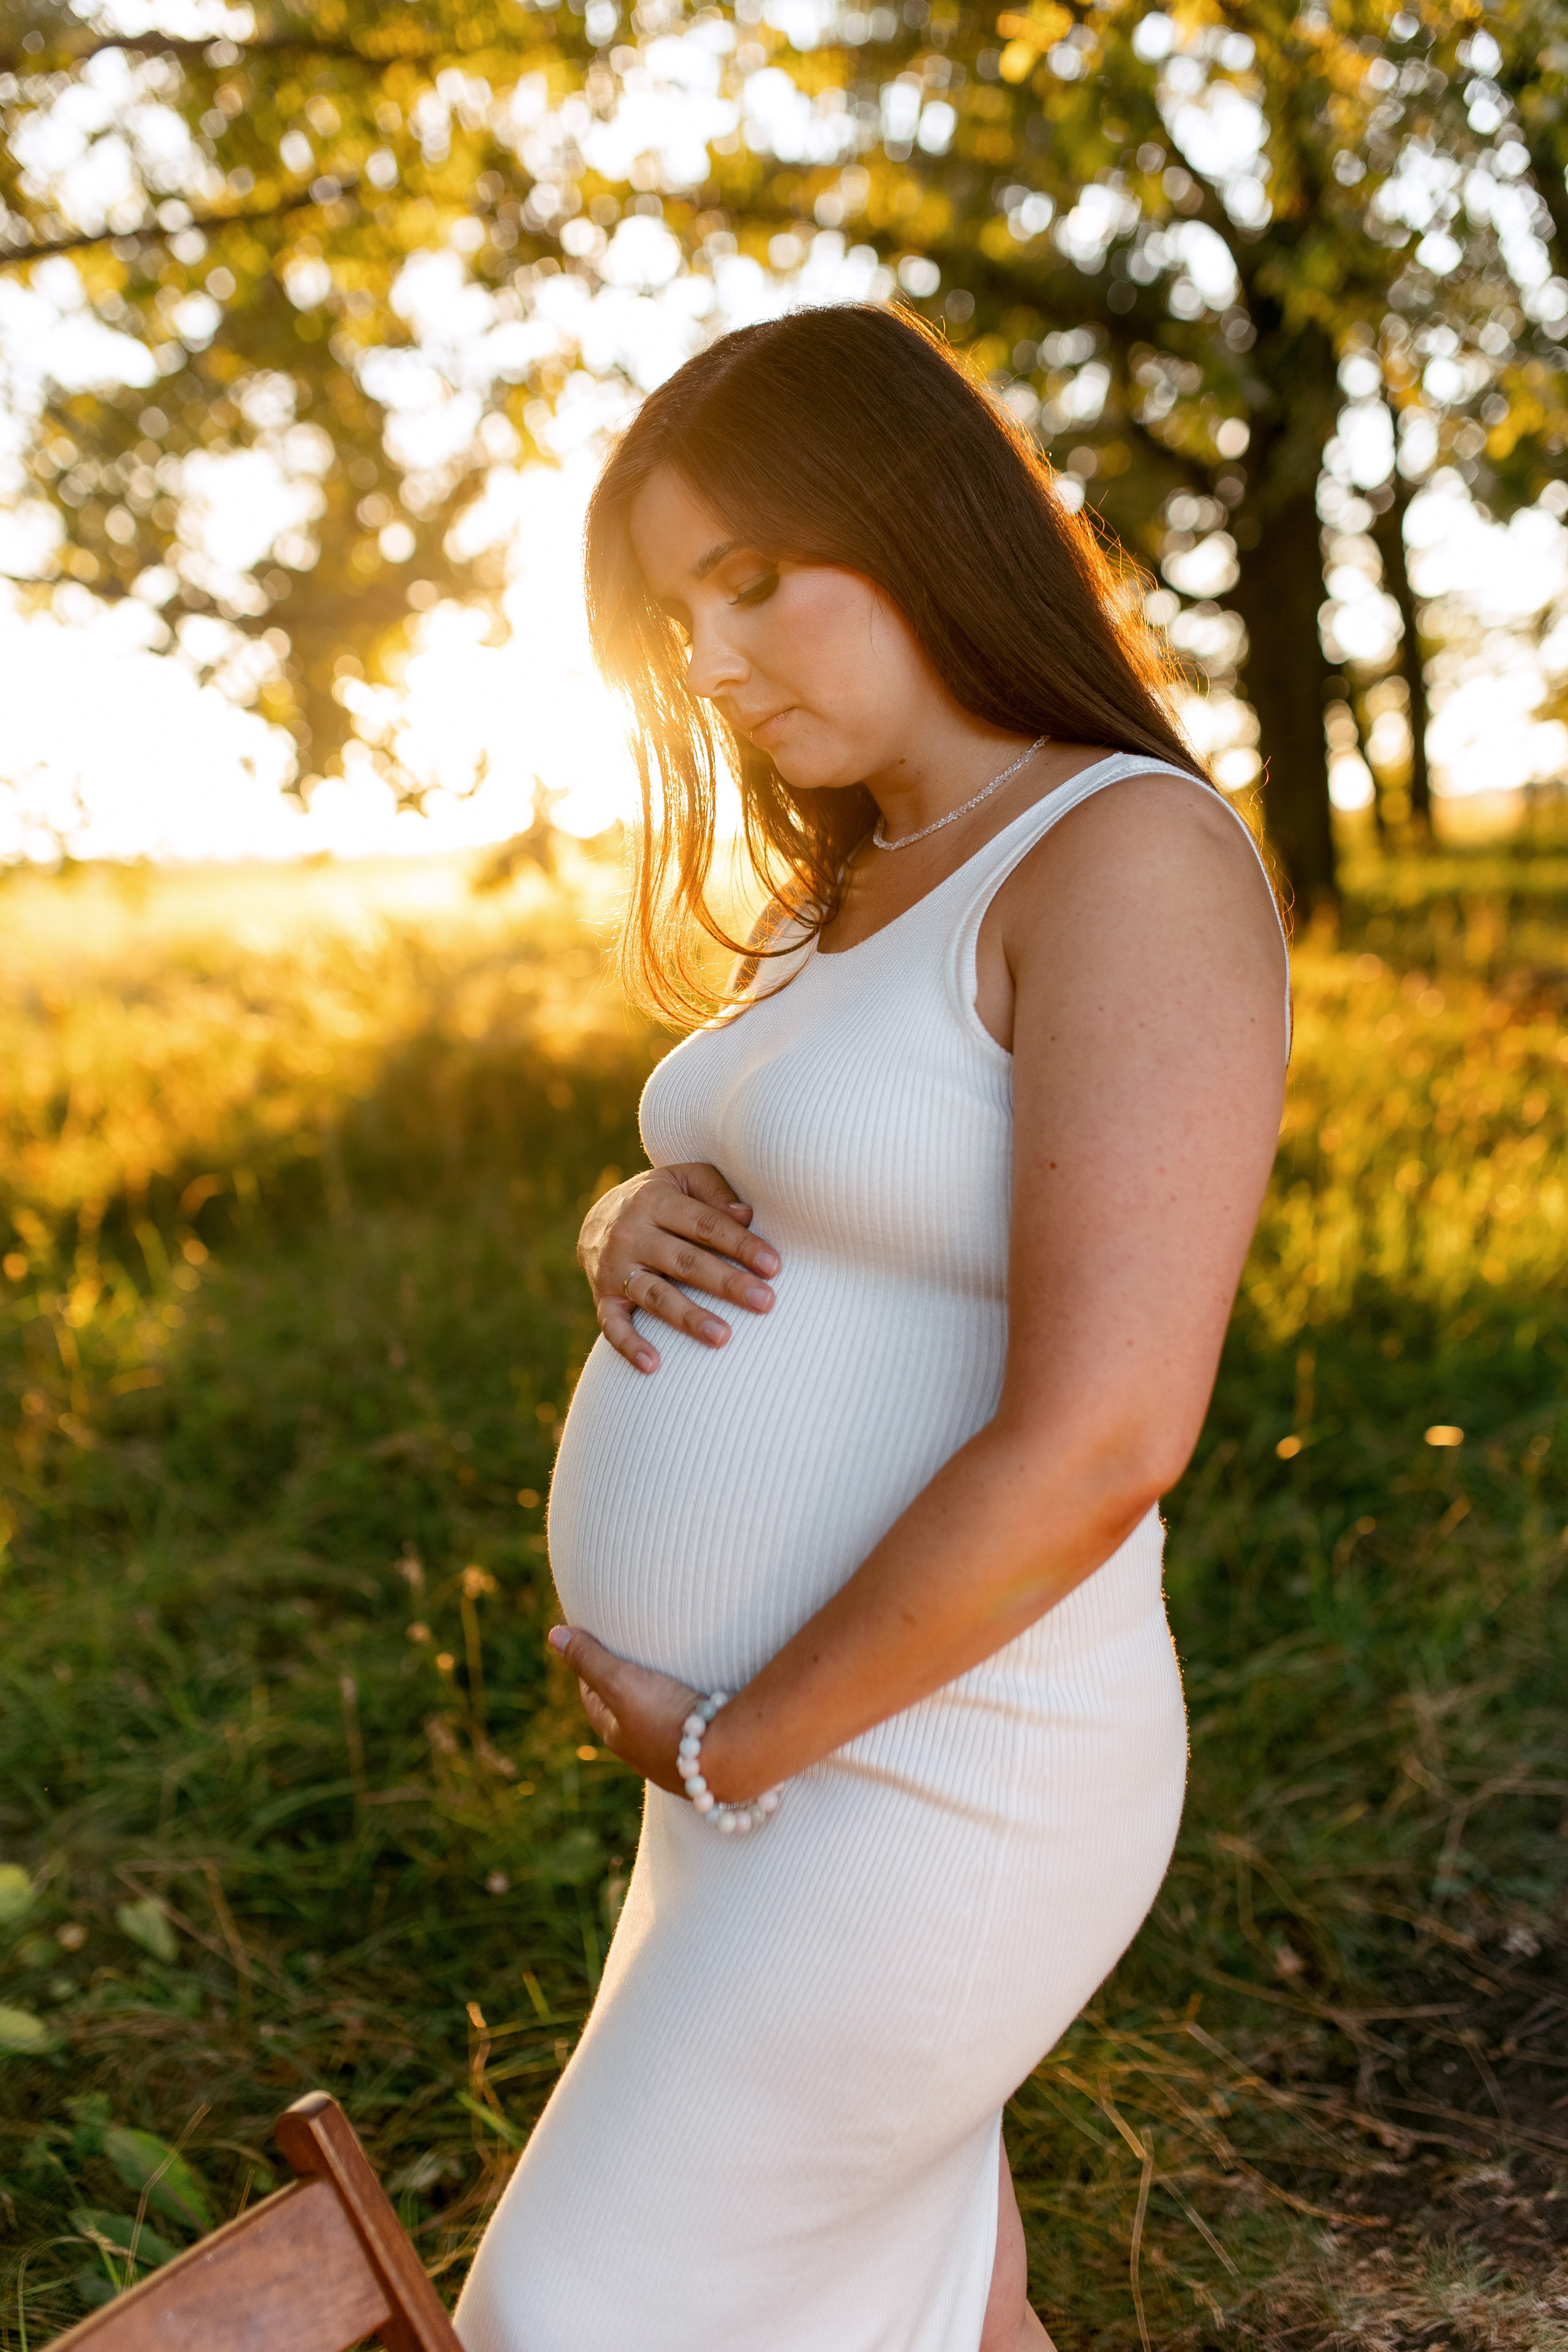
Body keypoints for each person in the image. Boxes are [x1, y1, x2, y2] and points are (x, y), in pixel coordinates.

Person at [454, 303, 1288, 2352]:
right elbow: (805, 1175)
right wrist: (614, 1218)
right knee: (919, 2306)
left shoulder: (1123, 856)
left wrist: (740, 1741)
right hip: (757, 1779)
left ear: (920, 520)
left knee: (575, 2314)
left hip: (937, 1773)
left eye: (753, 579)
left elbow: (1109, 1439)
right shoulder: (842, 885)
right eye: (678, 613)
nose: (713, 661)